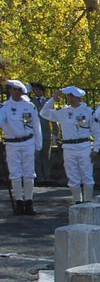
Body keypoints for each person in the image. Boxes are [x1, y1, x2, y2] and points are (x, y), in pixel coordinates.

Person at [40, 86, 100, 204]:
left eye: (72, 96)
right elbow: (44, 113)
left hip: (84, 146)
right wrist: (53, 99)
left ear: (78, 97)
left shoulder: (89, 112)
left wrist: (96, 149)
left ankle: (88, 201)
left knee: (87, 175)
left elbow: (96, 132)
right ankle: (77, 201)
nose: (69, 98)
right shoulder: (63, 111)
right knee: (72, 176)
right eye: (68, 96)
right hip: (68, 147)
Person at [1, 79, 43, 215]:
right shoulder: (5, 107)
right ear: (11, 91)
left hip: (28, 142)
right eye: (13, 89)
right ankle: (19, 201)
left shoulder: (30, 106)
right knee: (15, 174)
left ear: (21, 91)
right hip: (12, 143)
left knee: (29, 173)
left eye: (18, 89)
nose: (15, 92)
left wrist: (38, 145)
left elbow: (37, 126)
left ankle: (29, 202)